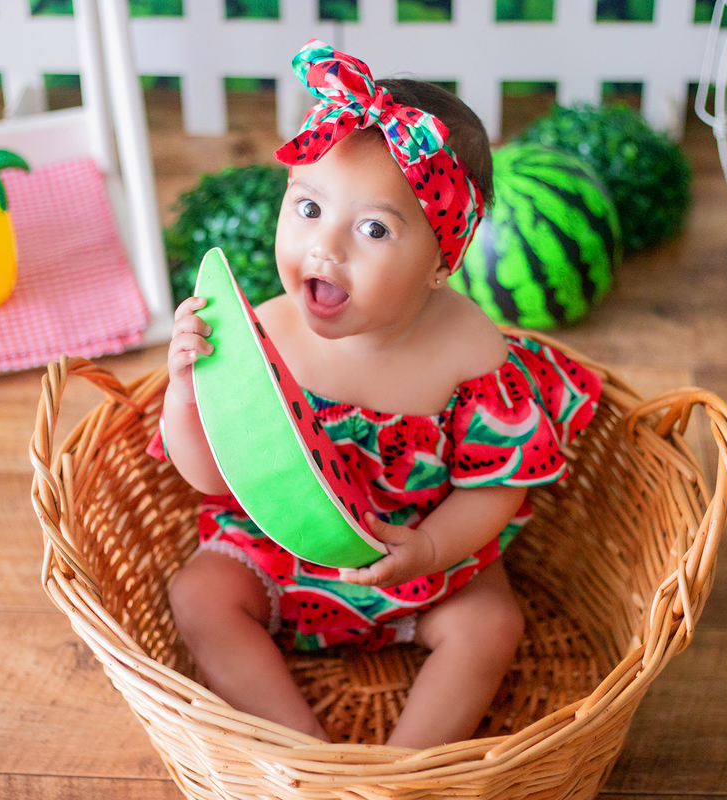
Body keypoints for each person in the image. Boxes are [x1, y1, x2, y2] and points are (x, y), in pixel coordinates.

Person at [148, 40, 601, 749]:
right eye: (308, 206)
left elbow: (496, 487)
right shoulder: (261, 336)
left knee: (492, 624)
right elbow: (211, 476)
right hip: (276, 554)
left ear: (441, 261)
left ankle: (399, 774)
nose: (325, 247)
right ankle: (305, 755)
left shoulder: (471, 355)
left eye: (374, 228)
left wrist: (430, 547)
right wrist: (184, 393)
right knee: (199, 595)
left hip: (421, 558)